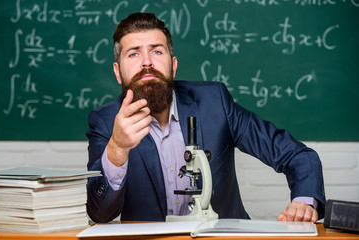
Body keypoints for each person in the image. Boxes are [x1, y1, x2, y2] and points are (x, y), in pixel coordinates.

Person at [86, 12, 326, 223]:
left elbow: (296, 155)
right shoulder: (106, 122)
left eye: (156, 51)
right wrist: (117, 148)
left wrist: (304, 202)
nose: (147, 62)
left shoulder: (214, 102)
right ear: (118, 72)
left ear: (173, 65)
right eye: (133, 54)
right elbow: (100, 214)